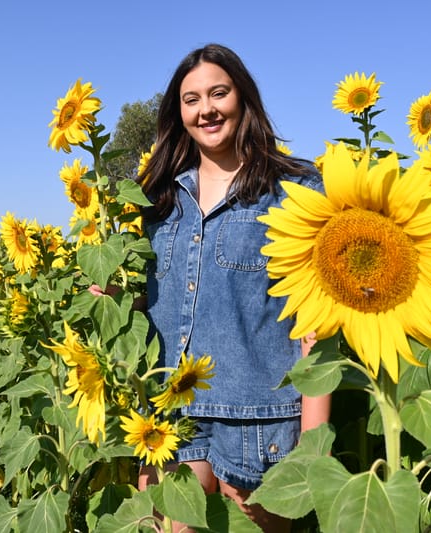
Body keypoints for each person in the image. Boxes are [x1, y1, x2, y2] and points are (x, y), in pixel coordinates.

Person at [136, 43, 331, 532]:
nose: (206, 109)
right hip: (168, 411)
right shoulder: (159, 199)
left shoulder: (294, 190)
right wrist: (115, 298)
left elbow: (316, 322)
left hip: (257, 416)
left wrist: (313, 442)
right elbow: (155, 299)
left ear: (242, 98)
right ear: (178, 113)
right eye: (191, 99)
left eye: (218, 93)